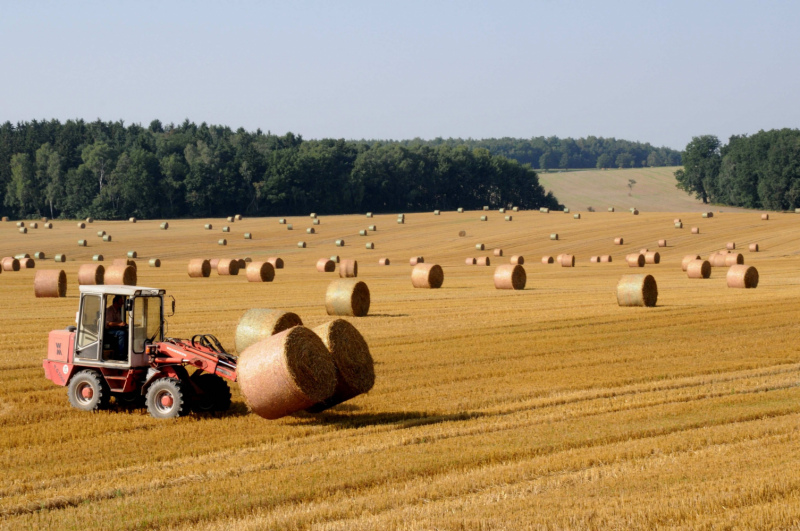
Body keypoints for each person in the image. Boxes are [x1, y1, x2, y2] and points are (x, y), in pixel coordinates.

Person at [106, 295, 127, 360]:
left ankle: (126, 352)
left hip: (116, 328)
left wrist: (124, 324)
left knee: (128, 331)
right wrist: (119, 324)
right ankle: (120, 355)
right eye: (120, 303)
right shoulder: (110, 310)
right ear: (115, 302)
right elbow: (108, 323)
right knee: (122, 333)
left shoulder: (118, 311)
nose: (121, 304)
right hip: (109, 330)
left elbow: (119, 321)